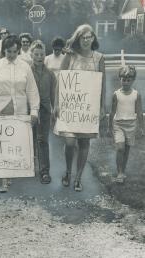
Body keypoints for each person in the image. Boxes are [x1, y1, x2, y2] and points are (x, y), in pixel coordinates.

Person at [0, 35, 40, 193]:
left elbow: (32, 90)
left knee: (15, 145)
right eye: (8, 51)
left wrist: (34, 111)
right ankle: (4, 179)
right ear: (3, 50)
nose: (12, 54)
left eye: (15, 51)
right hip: (0, 110)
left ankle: (14, 171)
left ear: (18, 50)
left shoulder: (25, 66)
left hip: (19, 111)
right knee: (2, 145)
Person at [55, 24, 106, 192]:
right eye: (83, 37)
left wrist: (101, 106)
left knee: (84, 142)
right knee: (69, 142)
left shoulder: (98, 58)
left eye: (89, 37)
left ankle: (78, 178)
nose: (86, 40)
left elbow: (102, 85)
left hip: (88, 108)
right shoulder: (70, 57)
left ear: (93, 38)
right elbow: (60, 82)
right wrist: (57, 103)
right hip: (70, 107)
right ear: (78, 39)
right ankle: (68, 172)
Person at [109, 65, 143, 183]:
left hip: (131, 125)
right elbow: (112, 112)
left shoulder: (136, 95)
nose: (126, 82)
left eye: (129, 80)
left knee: (126, 150)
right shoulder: (116, 94)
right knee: (120, 148)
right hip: (118, 124)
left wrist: (142, 128)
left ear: (133, 80)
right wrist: (110, 127)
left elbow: (139, 112)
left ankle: (123, 170)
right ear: (120, 79)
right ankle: (119, 173)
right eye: (124, 79)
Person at [30, 40, 56, 184]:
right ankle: (28, 167)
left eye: (42, 54)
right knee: (29, 139)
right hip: (29, 111)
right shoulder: (26, 71)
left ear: (45, 55)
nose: (39, 57)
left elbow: (53, 95)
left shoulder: (50, 74)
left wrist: (54, 110)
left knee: (42, 141)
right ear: (31, 55)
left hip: (45, 110)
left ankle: (44, 172)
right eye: (36, 54)